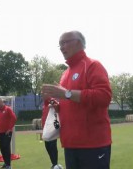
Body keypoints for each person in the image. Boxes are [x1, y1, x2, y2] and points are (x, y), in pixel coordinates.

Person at [41, 31, 112, 169]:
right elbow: (70, 102)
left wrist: (66, 94)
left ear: (79, 42)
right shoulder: (65, 74)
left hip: (93, 144)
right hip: (70, 144)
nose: (61, 47)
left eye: (65, 42)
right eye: (60, 44)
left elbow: (104, 97)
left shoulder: (92, 65)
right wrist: (56, 106)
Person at [41, 99, 63, 169]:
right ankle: (53, 164)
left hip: (52, 129)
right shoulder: (45, 106)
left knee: (52, 147)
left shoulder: (52, 103)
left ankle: (55, 163)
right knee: (48, 147)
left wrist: (51, 100)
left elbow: (57, 104)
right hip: (46, 130)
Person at [0, 99, 17, 169]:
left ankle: (8, 165)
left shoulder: (8, 109)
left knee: (6, 147)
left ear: (2, 102)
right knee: (2, 148)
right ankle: (5, 162)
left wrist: (10, 128)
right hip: (1, 132)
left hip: (7, 132)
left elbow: (14, 118)